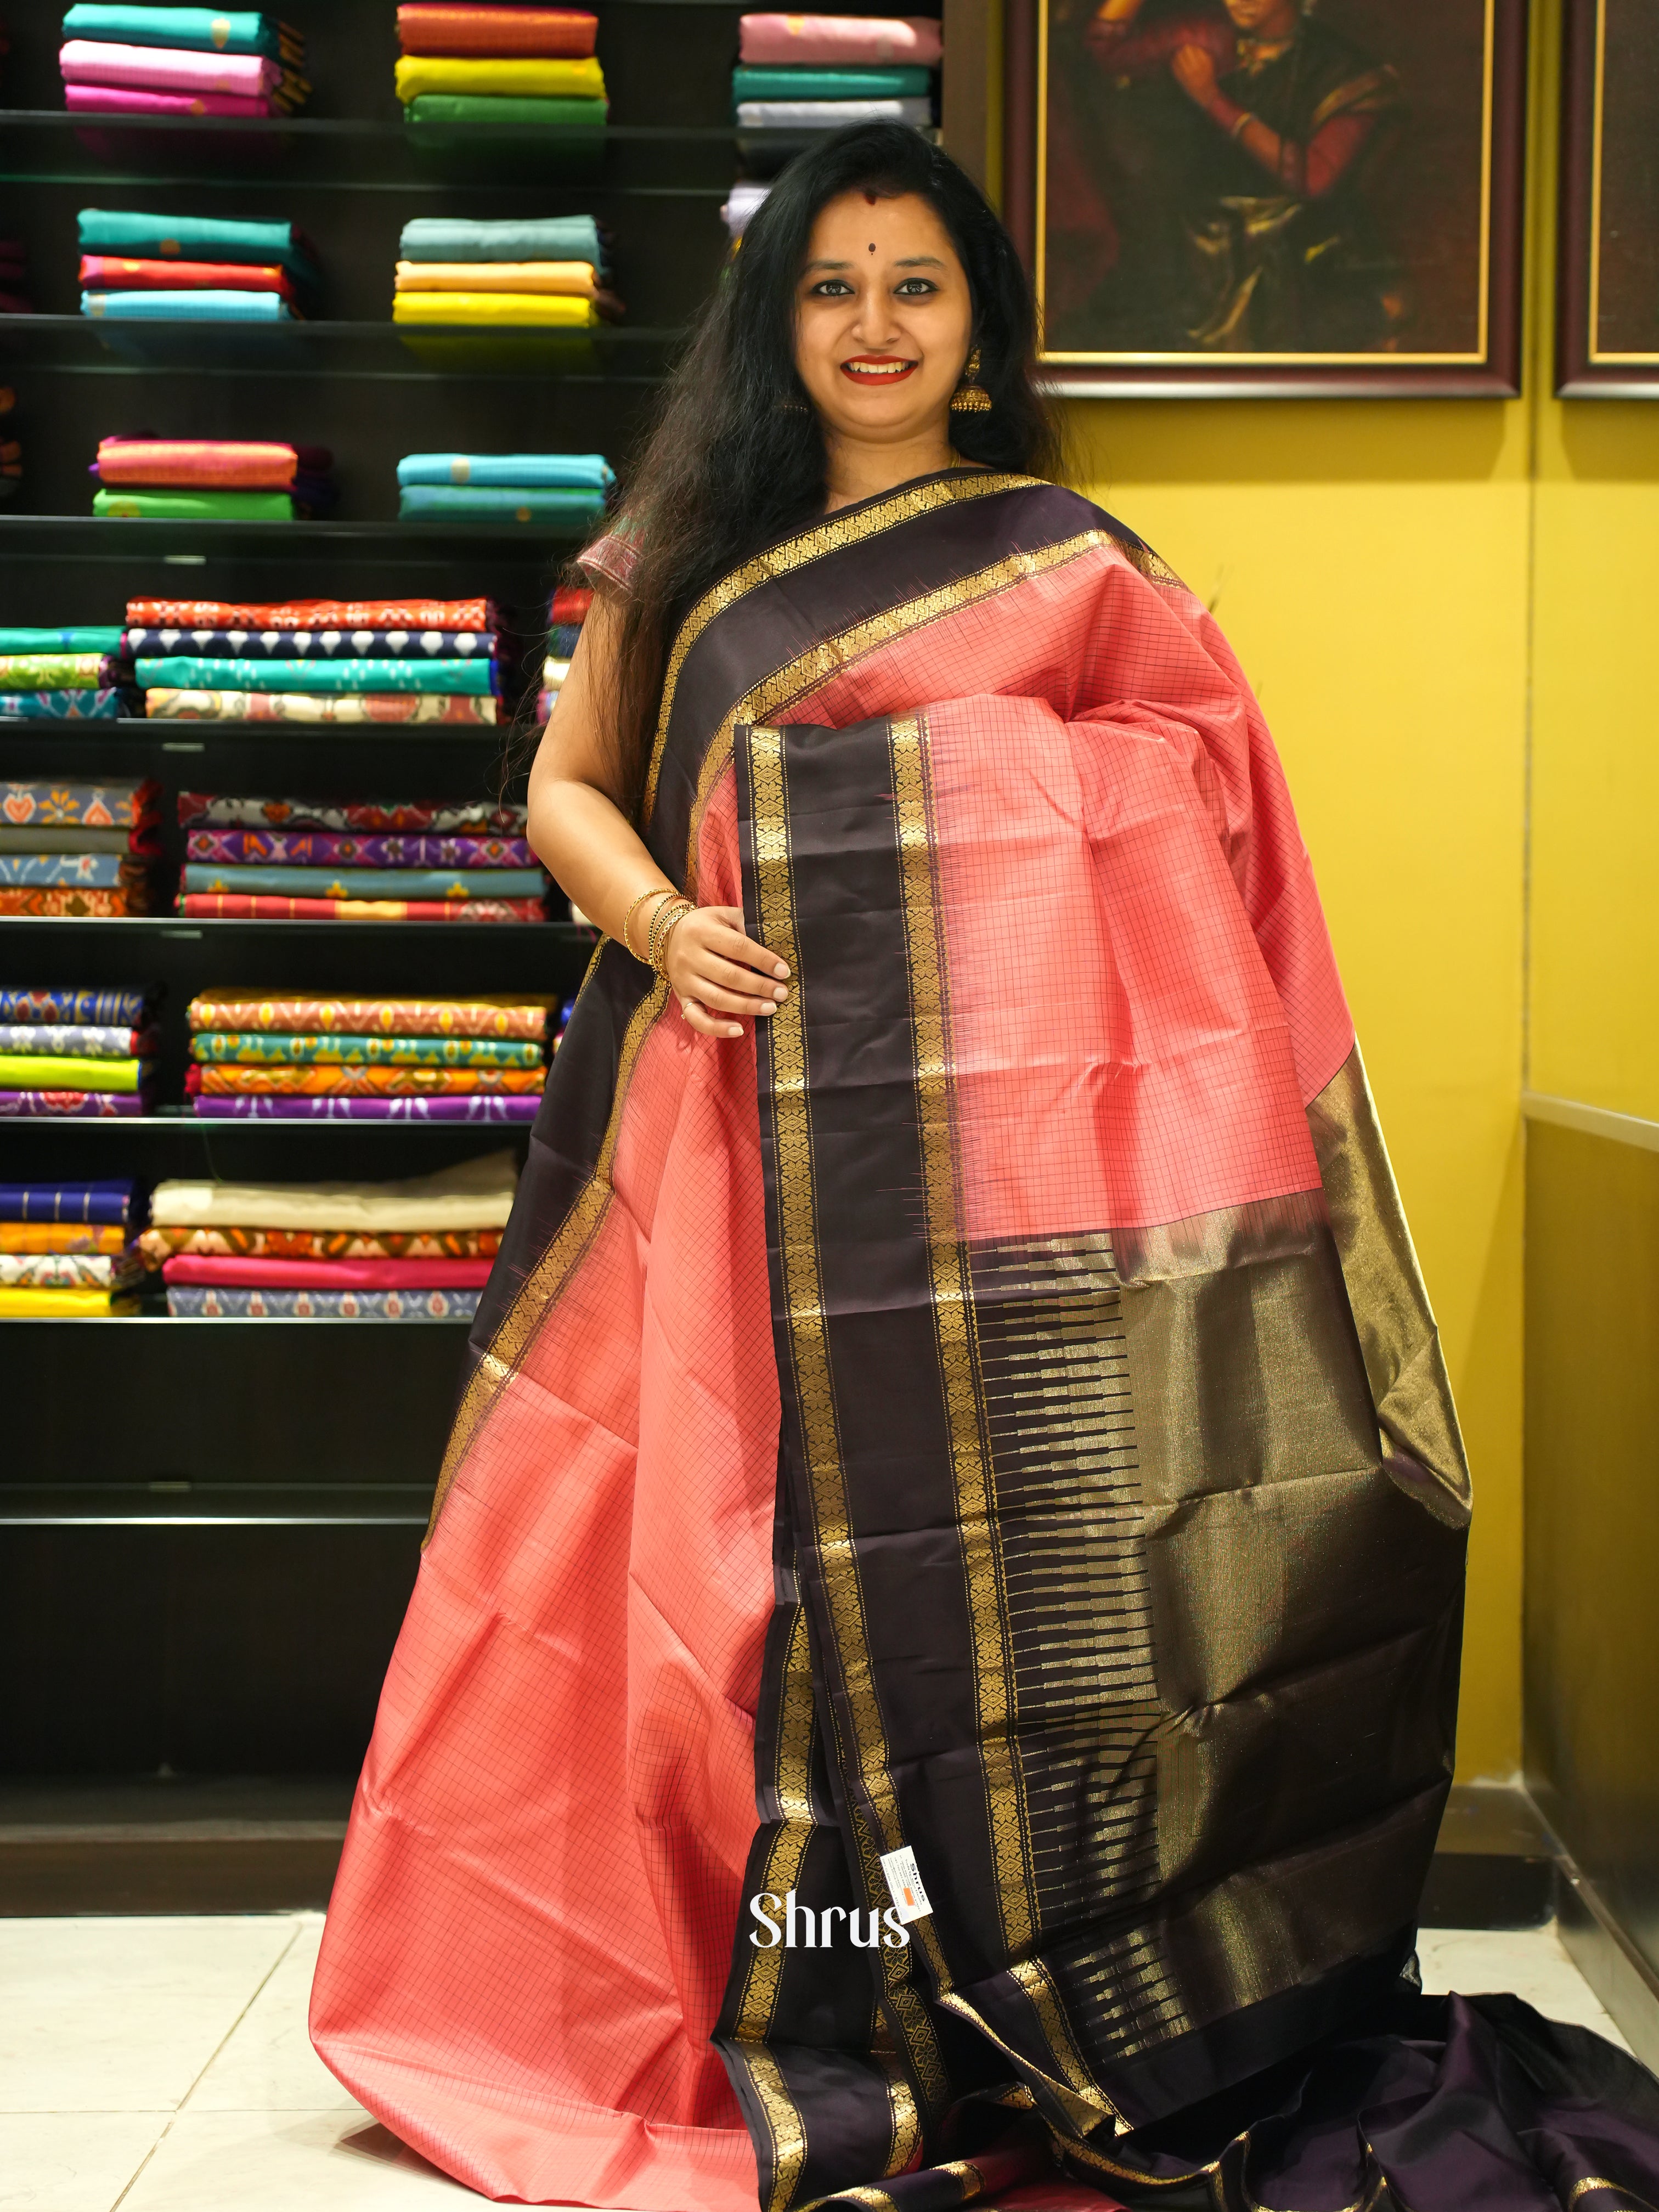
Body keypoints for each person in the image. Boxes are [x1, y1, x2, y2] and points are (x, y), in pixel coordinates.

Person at [309, 123, 1659, 2211]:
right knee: (695, 1572)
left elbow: (1188, 810)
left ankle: (964, 1977)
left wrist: (919, 828)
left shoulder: (1066, 561)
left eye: (912, 285)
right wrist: (670, 924)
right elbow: (563, 791)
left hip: (991, 1192)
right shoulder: (678, 544)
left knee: (987, 1574)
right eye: (830, 286)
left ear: (975, 328)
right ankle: (729, 1972)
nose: (871, 324)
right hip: (724, 1131)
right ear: (777, 325)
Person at [1051, 0, 1404, 352]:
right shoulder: (1207, 35)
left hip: (1295, 252)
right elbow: (1102, 48)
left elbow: (1313, 177)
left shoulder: (1346, 69)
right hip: (1193, 246)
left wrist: (1212, 99)